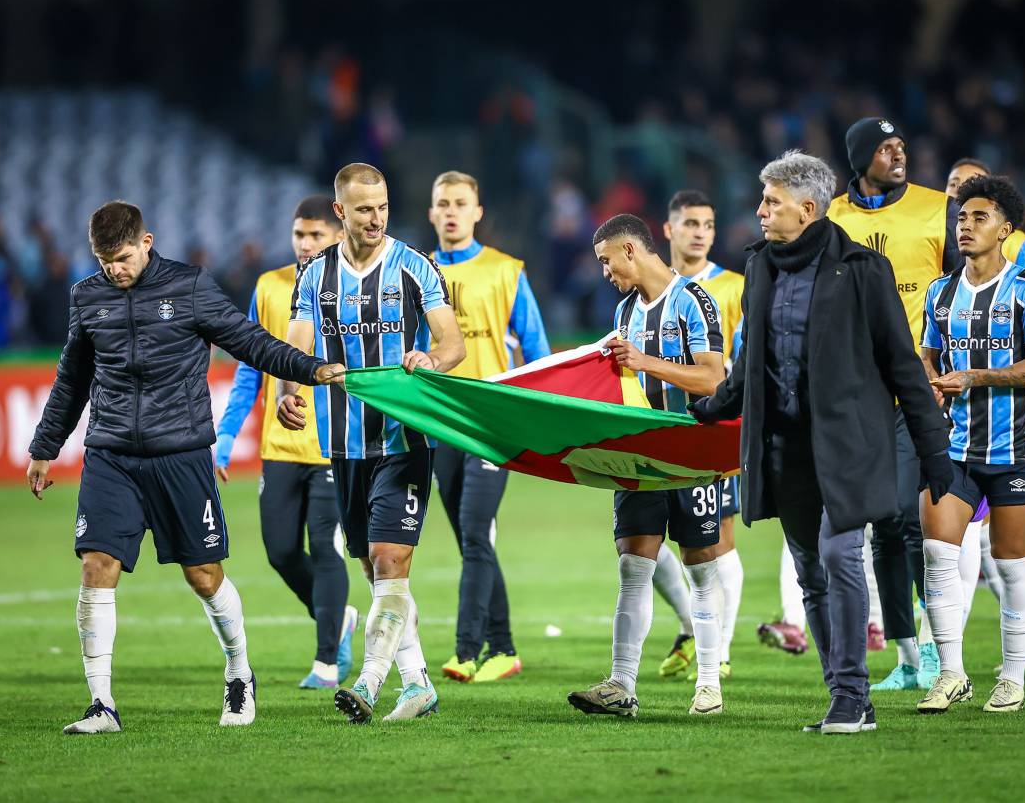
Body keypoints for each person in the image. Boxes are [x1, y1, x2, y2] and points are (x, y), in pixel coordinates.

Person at [26, 201, 342, 735]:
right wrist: (44, 445)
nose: (114, 270)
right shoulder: (88, 296)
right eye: (104, 261)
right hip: (111, 454)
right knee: (95, 566)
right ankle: (101, 704)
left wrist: (310, 369)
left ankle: (240, 672)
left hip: (180, 454)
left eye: (122, 258)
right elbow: (72, 377)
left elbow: (252, 343)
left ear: (146, 243)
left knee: (204, 576)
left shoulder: (191, 287)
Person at [694, 150, 953, 734]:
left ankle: (852, 692)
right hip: (785, 450)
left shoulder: (862, 268)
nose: (760, 211)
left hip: (849, 446)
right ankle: (845, 695)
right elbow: (749, 361)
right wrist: (712, 408)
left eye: (772, 202)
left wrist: (933, 451)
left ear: (807, 208)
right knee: (810, 572)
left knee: (840, 556)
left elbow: (902, 365)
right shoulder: (760, 265)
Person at [278, 163, 466, 724]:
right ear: (341, 213)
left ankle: (368, 682)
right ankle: (419, 684)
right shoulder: (314, 276)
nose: (376, 218)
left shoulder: (414, 266)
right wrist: (293, 391)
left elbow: (451, 342)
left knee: (390, 558)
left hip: (405, 438)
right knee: (372, 567)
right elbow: (297, 348)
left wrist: (429, 358)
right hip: (345, 444)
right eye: (364, 209)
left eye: (383, 206)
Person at [567, 213, 727, 717]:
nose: (605, 272)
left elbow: (713, 381)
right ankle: (621, 684)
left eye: (606, 260)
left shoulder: (693, 300)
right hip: (640, 458)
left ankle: (708, 684)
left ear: (630, 250)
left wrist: (645, 362)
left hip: (690, 456)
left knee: (701, 570)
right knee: (633, 567)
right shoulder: (624, 312)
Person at [916, 175, 1025, 715]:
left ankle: (1014, 676)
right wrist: (929, 379)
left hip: (1013, 449)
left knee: (1011, 563)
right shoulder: (941, 291)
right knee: (936, 552)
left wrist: (975, 376)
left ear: (1006, 229)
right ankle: (951, 674)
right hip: (953, 448)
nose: (966, 226)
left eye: (979, 218)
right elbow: (928, 356)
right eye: (961, 218)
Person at [827, 117, 961, 691]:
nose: (898, 155)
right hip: (859, 392)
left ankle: (936, 648)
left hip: (920, 386)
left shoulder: (939, 209)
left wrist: (948, 369)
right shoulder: (832, 216)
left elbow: (961, 292)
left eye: (902, 147)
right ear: (860, 159)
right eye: (885, 149)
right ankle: (907, 657)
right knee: (881, 524)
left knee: (911, 517)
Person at [215, 195, 356, 690]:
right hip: (280, 446)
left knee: (325, 546)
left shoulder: (356, 287)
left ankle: (327, 660)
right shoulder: (270, 287)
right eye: (299, 234)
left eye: (316, 235)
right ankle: (339, 619)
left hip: (335, 443)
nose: (305, 243)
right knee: (279, 551)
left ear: (338, 236)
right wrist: (227, 436)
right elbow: (251, 366)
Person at [427, 170, 550, 684]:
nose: (451, 211)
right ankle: (504, 648)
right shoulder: (417, 272)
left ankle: (466, 650)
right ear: (431, 213)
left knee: (475, 532)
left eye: (461, 203)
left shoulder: (506, 271)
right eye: (442, 203)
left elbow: (537, 350)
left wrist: (535, 420)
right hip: (439, 425)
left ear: (478, 213)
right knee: (473, 542)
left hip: (489, 425)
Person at [652, 189, 751, 678]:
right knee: (643, 542)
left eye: (708, 225)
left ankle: (722, 652)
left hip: (716, 426)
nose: (700, 232)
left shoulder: (733, 286)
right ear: (668, 230)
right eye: (690, 223)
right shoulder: (652, 291)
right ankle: (694, 628)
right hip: (661, 430)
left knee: (718, 541)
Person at [946, 159, 1025, 274]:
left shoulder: (1017, 246)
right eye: (953, 184)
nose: (959, 190)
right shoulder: (927, 234)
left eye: (971, 183)